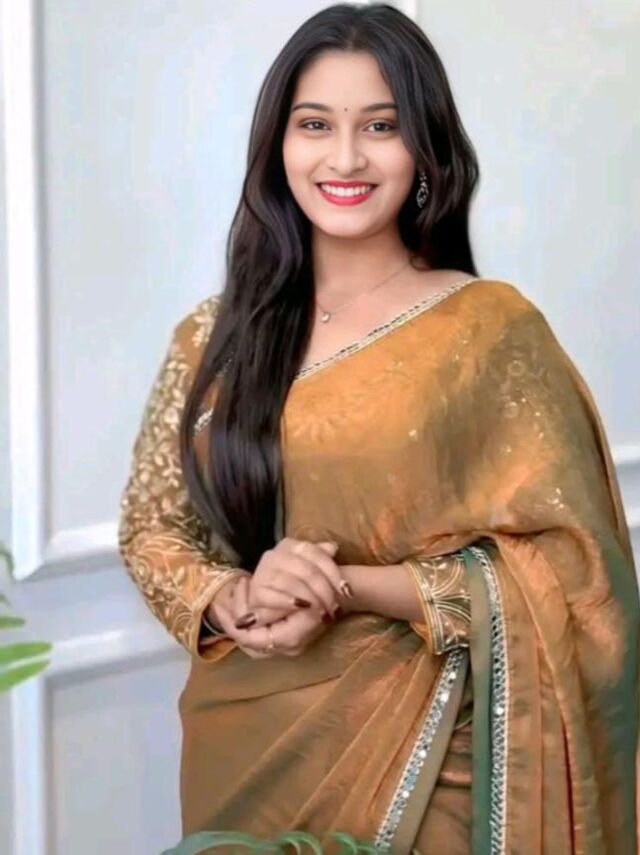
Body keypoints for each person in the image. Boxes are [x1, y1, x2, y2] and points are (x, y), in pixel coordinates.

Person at [117, 4, 639, 853]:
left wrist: (345, 587)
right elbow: (152, 526)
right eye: (315, 124)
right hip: (243, 743)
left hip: (433, 757)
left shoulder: (489, 330)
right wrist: (236, 598)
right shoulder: (214, 336)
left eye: (381, 126)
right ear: (277, 145)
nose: (346, 158)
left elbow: (575, 577)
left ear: (425, 148)